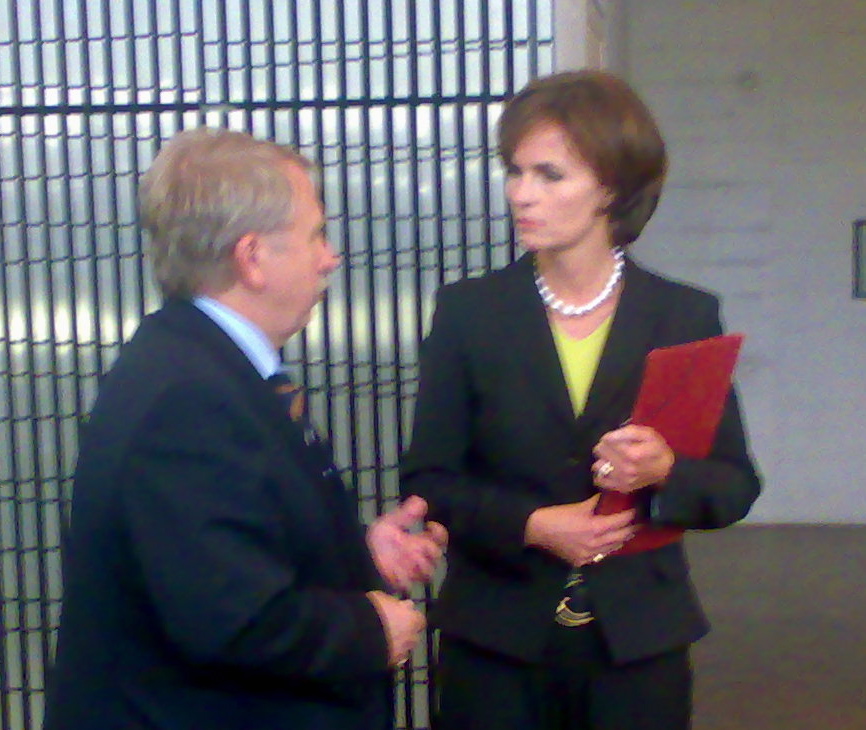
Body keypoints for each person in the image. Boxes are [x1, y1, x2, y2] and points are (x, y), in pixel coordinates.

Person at [43, 127, 447, 730]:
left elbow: (220, 554)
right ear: (252, 258)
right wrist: (369, 630)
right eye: (315, 235)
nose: (330, 257)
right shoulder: (188, 402)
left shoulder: (201, 366)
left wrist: (353, 555)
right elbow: (232, 619)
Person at [400, 70, 761, 730]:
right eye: (515, 171)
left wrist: (665, 472)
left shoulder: (683, 316)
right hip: (497, 638)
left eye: (550, 174)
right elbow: (429, 480)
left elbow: (734, 486)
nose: (521, 193)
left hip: (639, 641)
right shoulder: (469, 314)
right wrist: (533, 526)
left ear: (612, 188)